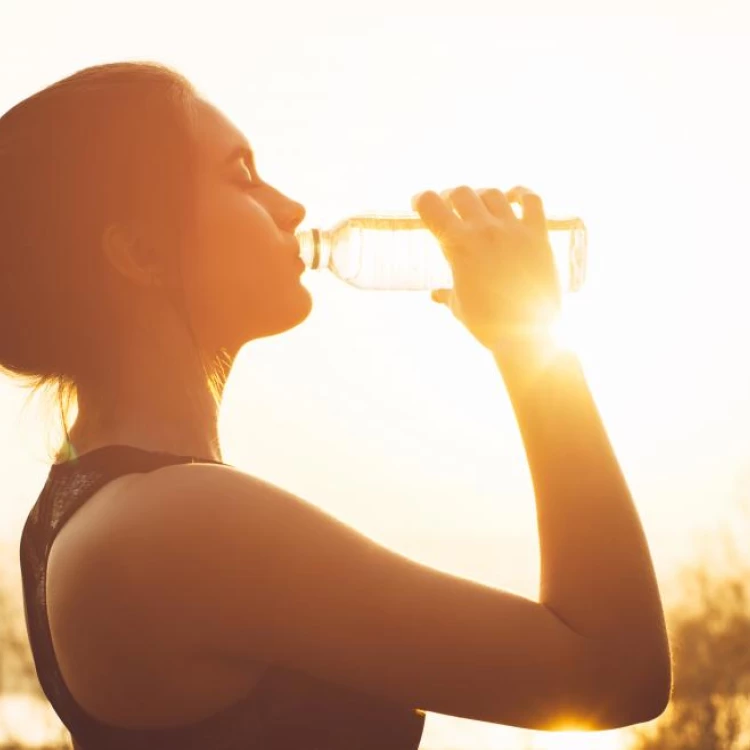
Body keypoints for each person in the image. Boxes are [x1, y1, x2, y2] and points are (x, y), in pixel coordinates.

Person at [0, 62, 671, 750]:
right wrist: (529, 344)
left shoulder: (92, 508)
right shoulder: (168, 524)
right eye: (242, 175)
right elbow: (613, 671)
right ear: (141, 251)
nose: (289, 207)